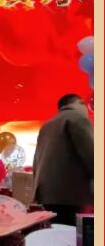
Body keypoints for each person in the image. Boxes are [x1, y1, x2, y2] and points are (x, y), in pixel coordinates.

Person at [33, 93, 93, 225]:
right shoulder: (78, 118)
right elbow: (92, 154)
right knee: (75, 234)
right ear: (78, 104)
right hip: (72, 195)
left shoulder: (46, 126)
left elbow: (36, 161)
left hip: (46, 195)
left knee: (57, 232)